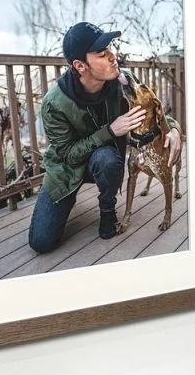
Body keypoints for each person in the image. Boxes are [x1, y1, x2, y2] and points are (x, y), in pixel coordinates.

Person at [27, 22, 147, 253]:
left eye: (110, 49)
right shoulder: (54, 103)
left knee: (107, 158)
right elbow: (69, 155)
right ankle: (68, 199)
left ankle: (107, 210)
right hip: (66, 170)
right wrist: (110, 131)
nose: (113, 57)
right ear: (80, 65)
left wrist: (171, 128)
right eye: (102, 54)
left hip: (104, 161)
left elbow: (150, 107)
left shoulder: (122, 81)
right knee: (40, 243)